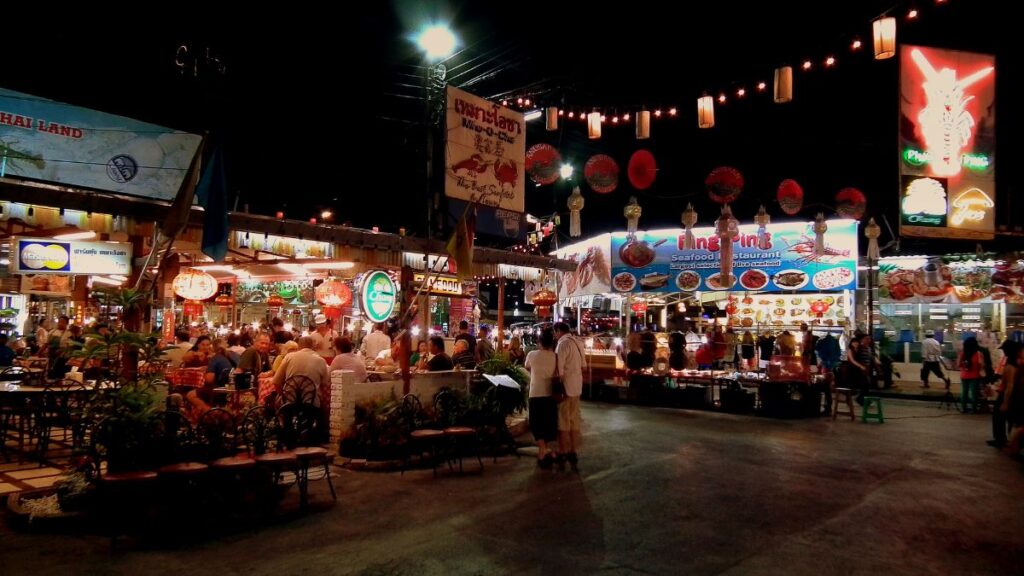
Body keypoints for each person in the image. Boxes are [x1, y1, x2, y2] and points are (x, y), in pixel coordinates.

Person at [554, 322, 585, 471]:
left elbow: (559, 370)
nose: (555, 335)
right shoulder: (578, 343)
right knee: (574, 420)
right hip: (577, 387)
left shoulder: (562, 344)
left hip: (566, 388)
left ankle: (563, 451)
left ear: (559, 331)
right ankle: (573, 451)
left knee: (563, 421)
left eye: (555, 332)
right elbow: (584, 366)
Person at [525, 328, 559, 469]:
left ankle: (543, 450)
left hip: (535, 392)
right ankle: (544, 451)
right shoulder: (555, 356)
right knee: (548, 424)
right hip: (550, 394)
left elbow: (527, 367)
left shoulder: (532, 354)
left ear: (539, 341)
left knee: (535, 424)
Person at [271, 336, 331, 408]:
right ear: (313, 347)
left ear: (299, 346)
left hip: (289, 402)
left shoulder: (289, 357)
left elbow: (276, 382)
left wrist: (282, 395)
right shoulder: (321, 360)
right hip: (311, 403)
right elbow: (325, 382)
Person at [988, 340, 1020, 448]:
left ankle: (1001, 440)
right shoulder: (1015, 363)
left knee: (999, 418)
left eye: (1005, 350)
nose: (1004, 352)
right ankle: (1004, 439)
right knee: (1006, 419)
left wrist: (1005, 402)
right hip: (1010, 394)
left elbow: (1010, 386)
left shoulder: (1010, 366)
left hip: (1006, 395)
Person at [959, 336, 984, 414]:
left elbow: (958, 364)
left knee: (964, 392)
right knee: (974, 393)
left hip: (964, 375)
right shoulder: (978, 354)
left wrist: (964, 366)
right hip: (975, 376)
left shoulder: (963, 353)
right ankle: (974, 409)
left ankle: (963, 408)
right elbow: (982, 365)